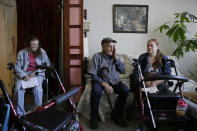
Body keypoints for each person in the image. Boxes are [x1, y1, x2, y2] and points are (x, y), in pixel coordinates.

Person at [88, 37, 129, 129]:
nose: (112, 49)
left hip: (115, 81)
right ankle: (94, 118)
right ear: (103, 47)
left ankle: (117, 115)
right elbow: (93, 74)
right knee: (96, 92)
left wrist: (117, 60)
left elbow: (122, 71)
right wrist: (105, 84)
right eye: (109, 46)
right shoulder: (97, 57)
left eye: (113, 46)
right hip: (100, 81)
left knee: (125, 90)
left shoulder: (116, 56)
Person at [14, 35, 51, 116]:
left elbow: (47, 64)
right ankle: (20, 113)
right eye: (33, 45)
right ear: (28, 45)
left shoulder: (42, 51)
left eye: (37, 44)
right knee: (18, 88)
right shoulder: (21, 53)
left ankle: (38, 110)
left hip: (37, 73)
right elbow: (17, 67)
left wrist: (36, 72)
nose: (35, 46)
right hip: (24, 73)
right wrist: (24, 76)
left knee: (37, 89)